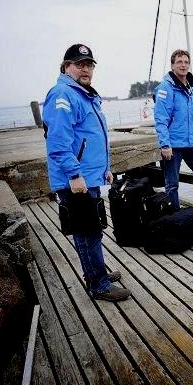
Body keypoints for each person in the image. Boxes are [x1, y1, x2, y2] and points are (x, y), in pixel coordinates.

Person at [43, 43, 131, 302]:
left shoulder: (84, 94)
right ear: (66, 66)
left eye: (89, 65)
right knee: (86, 231)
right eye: (79, 64)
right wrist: (74, 175)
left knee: (93, 227)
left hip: (89, 176)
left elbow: (93, 138)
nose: (85, 69)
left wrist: (105, 170)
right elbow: (58, 142)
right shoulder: (63, 94)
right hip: (75, 179)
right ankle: (98, 285)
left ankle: (98, 271)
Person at [154, 49, 193, 208]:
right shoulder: (166, 88)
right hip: (173, 145)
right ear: (173, 65)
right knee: (172, 184)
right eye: (179, 62)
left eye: (186, 62)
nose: (183, 65)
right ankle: (173, 213)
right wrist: (165, 145)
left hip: (191, 142)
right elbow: (161, 119)